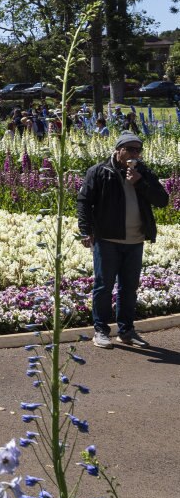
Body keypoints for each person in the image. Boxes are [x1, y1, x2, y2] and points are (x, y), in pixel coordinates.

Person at [77, 133, 167, 348]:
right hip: (107, 239)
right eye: (130, 149)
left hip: (135, 240)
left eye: (138, 150)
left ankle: (126, 331)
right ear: (118, 150)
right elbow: (83, 201)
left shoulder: (143, 173)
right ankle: (101, 330)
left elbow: (162, 200)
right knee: (103, 287)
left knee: (129, 288)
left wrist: (140, 183)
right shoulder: (99, 171)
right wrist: (85, 230)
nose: (135, 154)